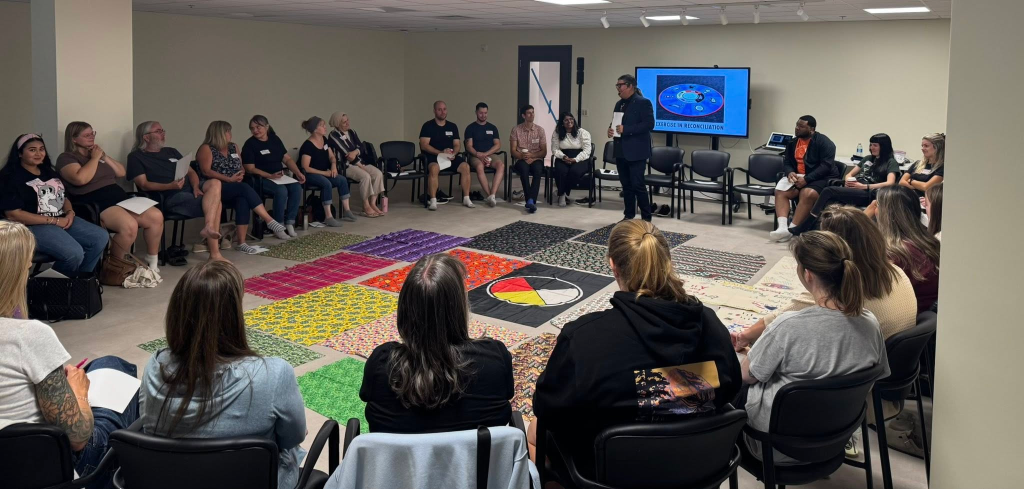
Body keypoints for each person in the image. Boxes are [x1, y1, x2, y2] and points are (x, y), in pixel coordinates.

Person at [531, 220, 741, 476]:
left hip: (610, 472)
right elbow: (730, 387)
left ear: (612, 264)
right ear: (666, 261)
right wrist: (664, 392)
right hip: (697, 466)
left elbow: (550, 409)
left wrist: (639, 394)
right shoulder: (710, 324)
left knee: (534, 430)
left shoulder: (585, 338)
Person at [140, 261, 307, 489]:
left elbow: (147, 424)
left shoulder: (154, 366)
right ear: (233, 317)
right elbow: (293, 437)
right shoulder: (274, 373)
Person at [0, 221, 139, 488]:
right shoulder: (28, 336)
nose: (30, 269)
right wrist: (78, 392)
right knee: (119, 372)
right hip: (49, 468)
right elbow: (78, 437)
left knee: (105, 363)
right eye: (28, 265)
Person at [740, 230, 889, 465]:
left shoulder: (788, 326)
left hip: (775, 447)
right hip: (837, 440)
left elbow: (747, 376)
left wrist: (750, 354)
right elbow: (876, 375)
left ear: (807, 274)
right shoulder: (870, 323)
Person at [360, 254, 513, 433]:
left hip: (402, 461)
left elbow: (367, 399)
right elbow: (506, 396)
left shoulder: (383, 362)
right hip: (478, 461)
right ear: (459, 307)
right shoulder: (495, 357)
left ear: (405, 308)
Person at [733, 205, 917, 353]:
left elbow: (775, 321)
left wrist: (744, 335)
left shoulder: (835, 296)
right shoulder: (895, 272)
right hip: (891, 372)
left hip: (855, 384)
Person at [57, 121, 165, 271]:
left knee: (155, 216)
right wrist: (94, 159)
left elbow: (121, 172)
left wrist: (104, 156)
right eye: (86, 135)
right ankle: (115, 267)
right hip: (95, 201)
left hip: (118, 197)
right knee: (129, 226)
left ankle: (152, 262)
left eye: (92, 133)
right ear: (74, 139)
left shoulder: (96, 154)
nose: (91, 137)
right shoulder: (67, 157)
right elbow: (80, 179)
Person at [0, 134, 108, 276]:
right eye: (32, 150)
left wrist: (70, 212)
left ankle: (78, 283)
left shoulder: (48, 172)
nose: (38, 153)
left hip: (60, 219)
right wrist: (55, 221)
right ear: (20, 153)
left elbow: (64, 197)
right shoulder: (9, 177)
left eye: (41, 149)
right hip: (30, 226)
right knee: (73, 253)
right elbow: (14, 214)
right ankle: (51, 289)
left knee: (99, 237)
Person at [127, 121, 226, 262]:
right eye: (158, 131)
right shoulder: (136, 157)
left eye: (163, 130)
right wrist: (170, 186)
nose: (163, 134)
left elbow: (191, 172)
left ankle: (209, 228)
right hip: (168, 196)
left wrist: (196, 186)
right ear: (146, 137)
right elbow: (143, 184)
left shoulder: (171, 151)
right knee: (217, 204)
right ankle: (214, 254)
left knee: (215, 183)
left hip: (189, 189)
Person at [197, 120, 291, 254]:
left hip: (235, 185)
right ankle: (269, 219)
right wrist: (228, 179)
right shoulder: (206, 148)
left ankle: (242, 242)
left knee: (243, 198)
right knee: (244, 188)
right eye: (227, 131)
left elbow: (241, 165)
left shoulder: (233, 147)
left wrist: (241, 173)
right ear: (219, 133)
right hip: (216, 188)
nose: (230, 134)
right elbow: (206, 171)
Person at [785, 133, 901, 236]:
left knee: (828, 191)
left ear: (883, 147)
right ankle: (822, 232)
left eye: (875, 145)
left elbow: (890, 183)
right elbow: (849, 174)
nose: (872, 148)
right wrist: (848, 180)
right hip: (856, 188)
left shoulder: (891, 162)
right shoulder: (867, 158)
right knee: (830, 202)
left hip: (869, 193)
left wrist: (865, 186)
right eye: (871, 145)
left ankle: (807, 224)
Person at [769, 115, 840, 242]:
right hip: (800, 176)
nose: (797, 128)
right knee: (780, 191)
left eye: (801, 126)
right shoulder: (792, 142)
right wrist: (790, 172)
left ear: (812, 129)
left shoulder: (825, 143)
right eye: (797, 125)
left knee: (807, 193)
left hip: (822, 177)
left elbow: (825, 166)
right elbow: (787, 162)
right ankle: (782, 228)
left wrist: (807, 179)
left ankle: (792, 230)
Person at [875, 186, 940, 313]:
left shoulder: (894, 254)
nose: (875, 210)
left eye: (877, 205)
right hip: (927, 321)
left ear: (886, 213)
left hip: (906, 321)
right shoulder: (929, 242)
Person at [242, 115, 304, 237]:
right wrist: (269, 175)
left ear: (267, 127)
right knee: (281, 191)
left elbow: (287, 159)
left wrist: (297, 172)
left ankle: (290, 222)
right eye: (252, 128)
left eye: (258, 127)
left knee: (296, 187)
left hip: (278, 177)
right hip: (260, 179)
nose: (255, 131)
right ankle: (278, 225)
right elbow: (250, 168)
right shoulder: (250, 144)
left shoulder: (274, 139)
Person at [607, 74, 654, 222]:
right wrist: (610, 129)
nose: (618, 89)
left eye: (620, 85)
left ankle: (646, 219)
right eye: (617, 86)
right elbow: (616, 123)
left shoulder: (643, 103)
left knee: (638, 185)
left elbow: (649, 124)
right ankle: (628, 216)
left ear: (630, 86)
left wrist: (626, 129)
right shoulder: (618, 104)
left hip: (637, 152)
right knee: (626, 186)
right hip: (621, 150)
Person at [299, 116, 357, 226]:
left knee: (341, 180)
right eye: (322, 125)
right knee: (326, 183)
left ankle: (347, 210)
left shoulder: (324, 140)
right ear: (315, 129)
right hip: (310, 174)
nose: (325, 127)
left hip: (324, 172)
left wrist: (334, 166)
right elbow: (305, 167)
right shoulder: (308, 145)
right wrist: (324, 173)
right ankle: (328, 216)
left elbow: (332, 157)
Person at [326, 112, 386, 217]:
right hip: (346, 166)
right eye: (344, 122)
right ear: (337, 124)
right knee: (365, 176)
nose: (347, 123)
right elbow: (346, 153)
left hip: (360, 162)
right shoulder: (333, 135)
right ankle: (365, 205)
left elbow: (361, 147)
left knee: (378, 174)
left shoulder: (352, 132)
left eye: (347, 120)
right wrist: (360, 165)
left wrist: (356, 152)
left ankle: (373, 203)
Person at [420, 101, 473, 210]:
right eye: (439, 109)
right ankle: (433, 200)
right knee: (434, 168)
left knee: (466, 167)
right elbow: (424, 145)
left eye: (444, 109)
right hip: (433, 156)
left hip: (449, 157)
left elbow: (457, 144)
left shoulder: (452, 126)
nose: (442, 112)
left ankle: (466, 198)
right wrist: (440, 152)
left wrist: (454, 153)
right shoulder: (428, 126)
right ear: (434, 111)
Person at [463, 102, 505, 207]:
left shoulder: (493, 127)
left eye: (485, 113)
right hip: (475, 155)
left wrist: (485, 154)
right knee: (479, 166)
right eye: (481, 113)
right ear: (476, 113)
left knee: (501, 165)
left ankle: (492, 195)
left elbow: (497, 145)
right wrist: (479, 155)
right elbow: (469, 146)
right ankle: (489, 194)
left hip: (490, 154)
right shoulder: (470, 128)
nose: (483, 115)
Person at [510, 104, 547, 213]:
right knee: (524, 170)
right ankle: (530, 200)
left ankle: (530, 200)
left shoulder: (540, 130)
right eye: (529, 113)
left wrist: (532, 156)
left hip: (536, 159)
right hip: (521, 159)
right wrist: (521, 156)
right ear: (523, 115)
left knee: (537, 170)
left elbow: (544, 152)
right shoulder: (516, 130)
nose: (532, 115)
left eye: (533, 112)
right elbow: (513, 150)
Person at [551, 111, 593, 207]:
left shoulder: (583, 133)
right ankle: (562, 195)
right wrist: (563, 157)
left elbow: (587, 151)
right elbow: (555, 149)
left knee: (575, 172)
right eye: (566, 120)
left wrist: (575, 159)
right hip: (563, 156)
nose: (569, 121)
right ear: (562, 122)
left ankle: (562, 191)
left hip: (580, 157)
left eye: (571, 119)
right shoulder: (557, 132)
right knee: (561, 171)